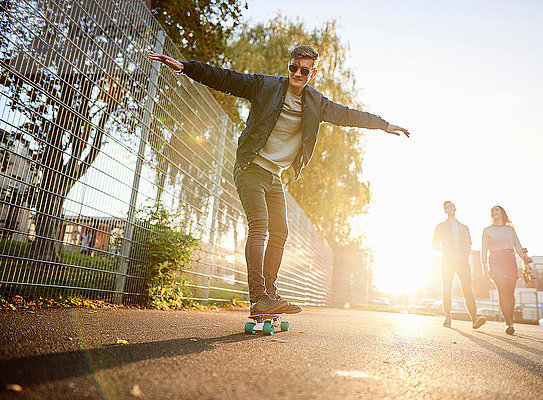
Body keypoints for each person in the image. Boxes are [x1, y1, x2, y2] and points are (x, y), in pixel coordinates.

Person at [148, 45, 410, 315]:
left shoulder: (316, 103)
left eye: (304, 70)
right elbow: (226, 78)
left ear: (313, 73)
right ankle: (258, 297)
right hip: (251, 168)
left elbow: (348, 115)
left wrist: (383, 125)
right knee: (259, 226)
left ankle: (269, 295)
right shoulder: (265, 86)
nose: (297, 73)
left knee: (281, 232)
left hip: (274, 176)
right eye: (293, 68)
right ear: (289, 66)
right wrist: (187, 67)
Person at [433, 201, 486, 329]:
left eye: (451, 206)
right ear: (444, 211)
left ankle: (474, 319)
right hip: (447, 262)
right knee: (447, 289)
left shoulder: (464, 227)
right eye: (446, 207)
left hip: (462, 262)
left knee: (468, 290)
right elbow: (434, 245)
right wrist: (446, 251)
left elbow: (469, 244)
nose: (449, 208)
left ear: (455, 208)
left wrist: (464, 255)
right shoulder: (440, 227)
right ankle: (448, 317)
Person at [481, 205, 532, 335]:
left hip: (510, 260)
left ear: (503, 213)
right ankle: (508, 322)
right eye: (492, 211)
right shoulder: (487, 230)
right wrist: (485, 268)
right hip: (496, 260)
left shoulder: (510, 230)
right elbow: (484, 250)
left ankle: (511, 319)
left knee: (510, 293)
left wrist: (527, 262)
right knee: (502, 291)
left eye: (497, 210)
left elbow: (518, 248)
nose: (494, 212)